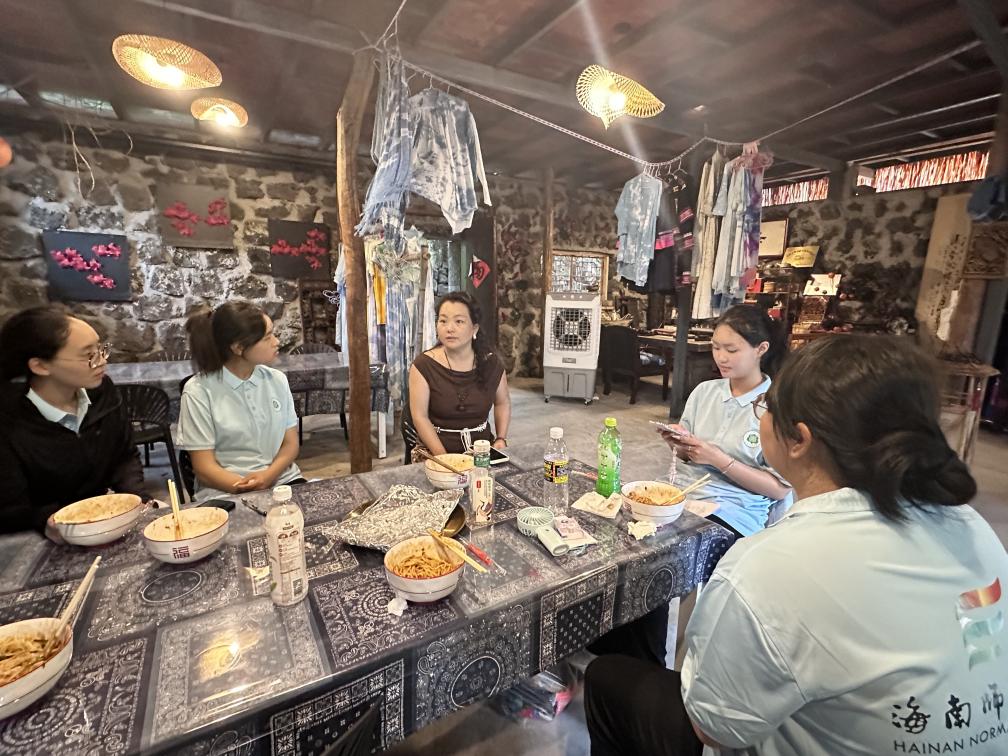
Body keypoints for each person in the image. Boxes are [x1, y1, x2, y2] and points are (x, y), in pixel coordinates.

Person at [585, 334, 1007, 756]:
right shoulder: (972, 526)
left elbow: (712, 726)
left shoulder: (768, 566)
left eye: (765, 407)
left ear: (799, 439)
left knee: (609, 678)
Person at [0, 305, 145, 537]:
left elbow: (124, 456)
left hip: (101, 524)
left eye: (100, 349)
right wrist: (45, 520)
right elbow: (10, 510)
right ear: (40, 366)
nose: (101, 361)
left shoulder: (102, 393)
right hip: (38, 538)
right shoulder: (10, 421)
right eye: (88, 355)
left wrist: (139, 500)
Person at [659, 304, 792, 539]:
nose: (721, 357)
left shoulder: (777, 406)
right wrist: (677, 443)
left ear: (761, 349)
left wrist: (717, 459)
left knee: (676, 544)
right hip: (681, 492)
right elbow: (687, 457)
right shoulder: (704, 391)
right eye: (716, 347)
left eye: (731, 350)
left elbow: (779, 489)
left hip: (735, 509)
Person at [177, 301, 303, 500]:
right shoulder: (198, 391)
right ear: (238, 347)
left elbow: (290, 444)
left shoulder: (277, 380)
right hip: (225, 490)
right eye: (267, 337)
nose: (276, 342)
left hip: (282, 480)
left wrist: (267, 477)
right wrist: (248, 487)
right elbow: (204, 468)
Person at [408, 291, 511, 455]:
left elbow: (502, 402)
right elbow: (420, 417)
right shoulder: (423, 366)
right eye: (443, 321)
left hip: (482, 451)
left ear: (474, 328)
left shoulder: (491, 364)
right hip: (436, 452)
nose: (449, 328)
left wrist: (500, 438)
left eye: (459, 321)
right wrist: (444, 458)